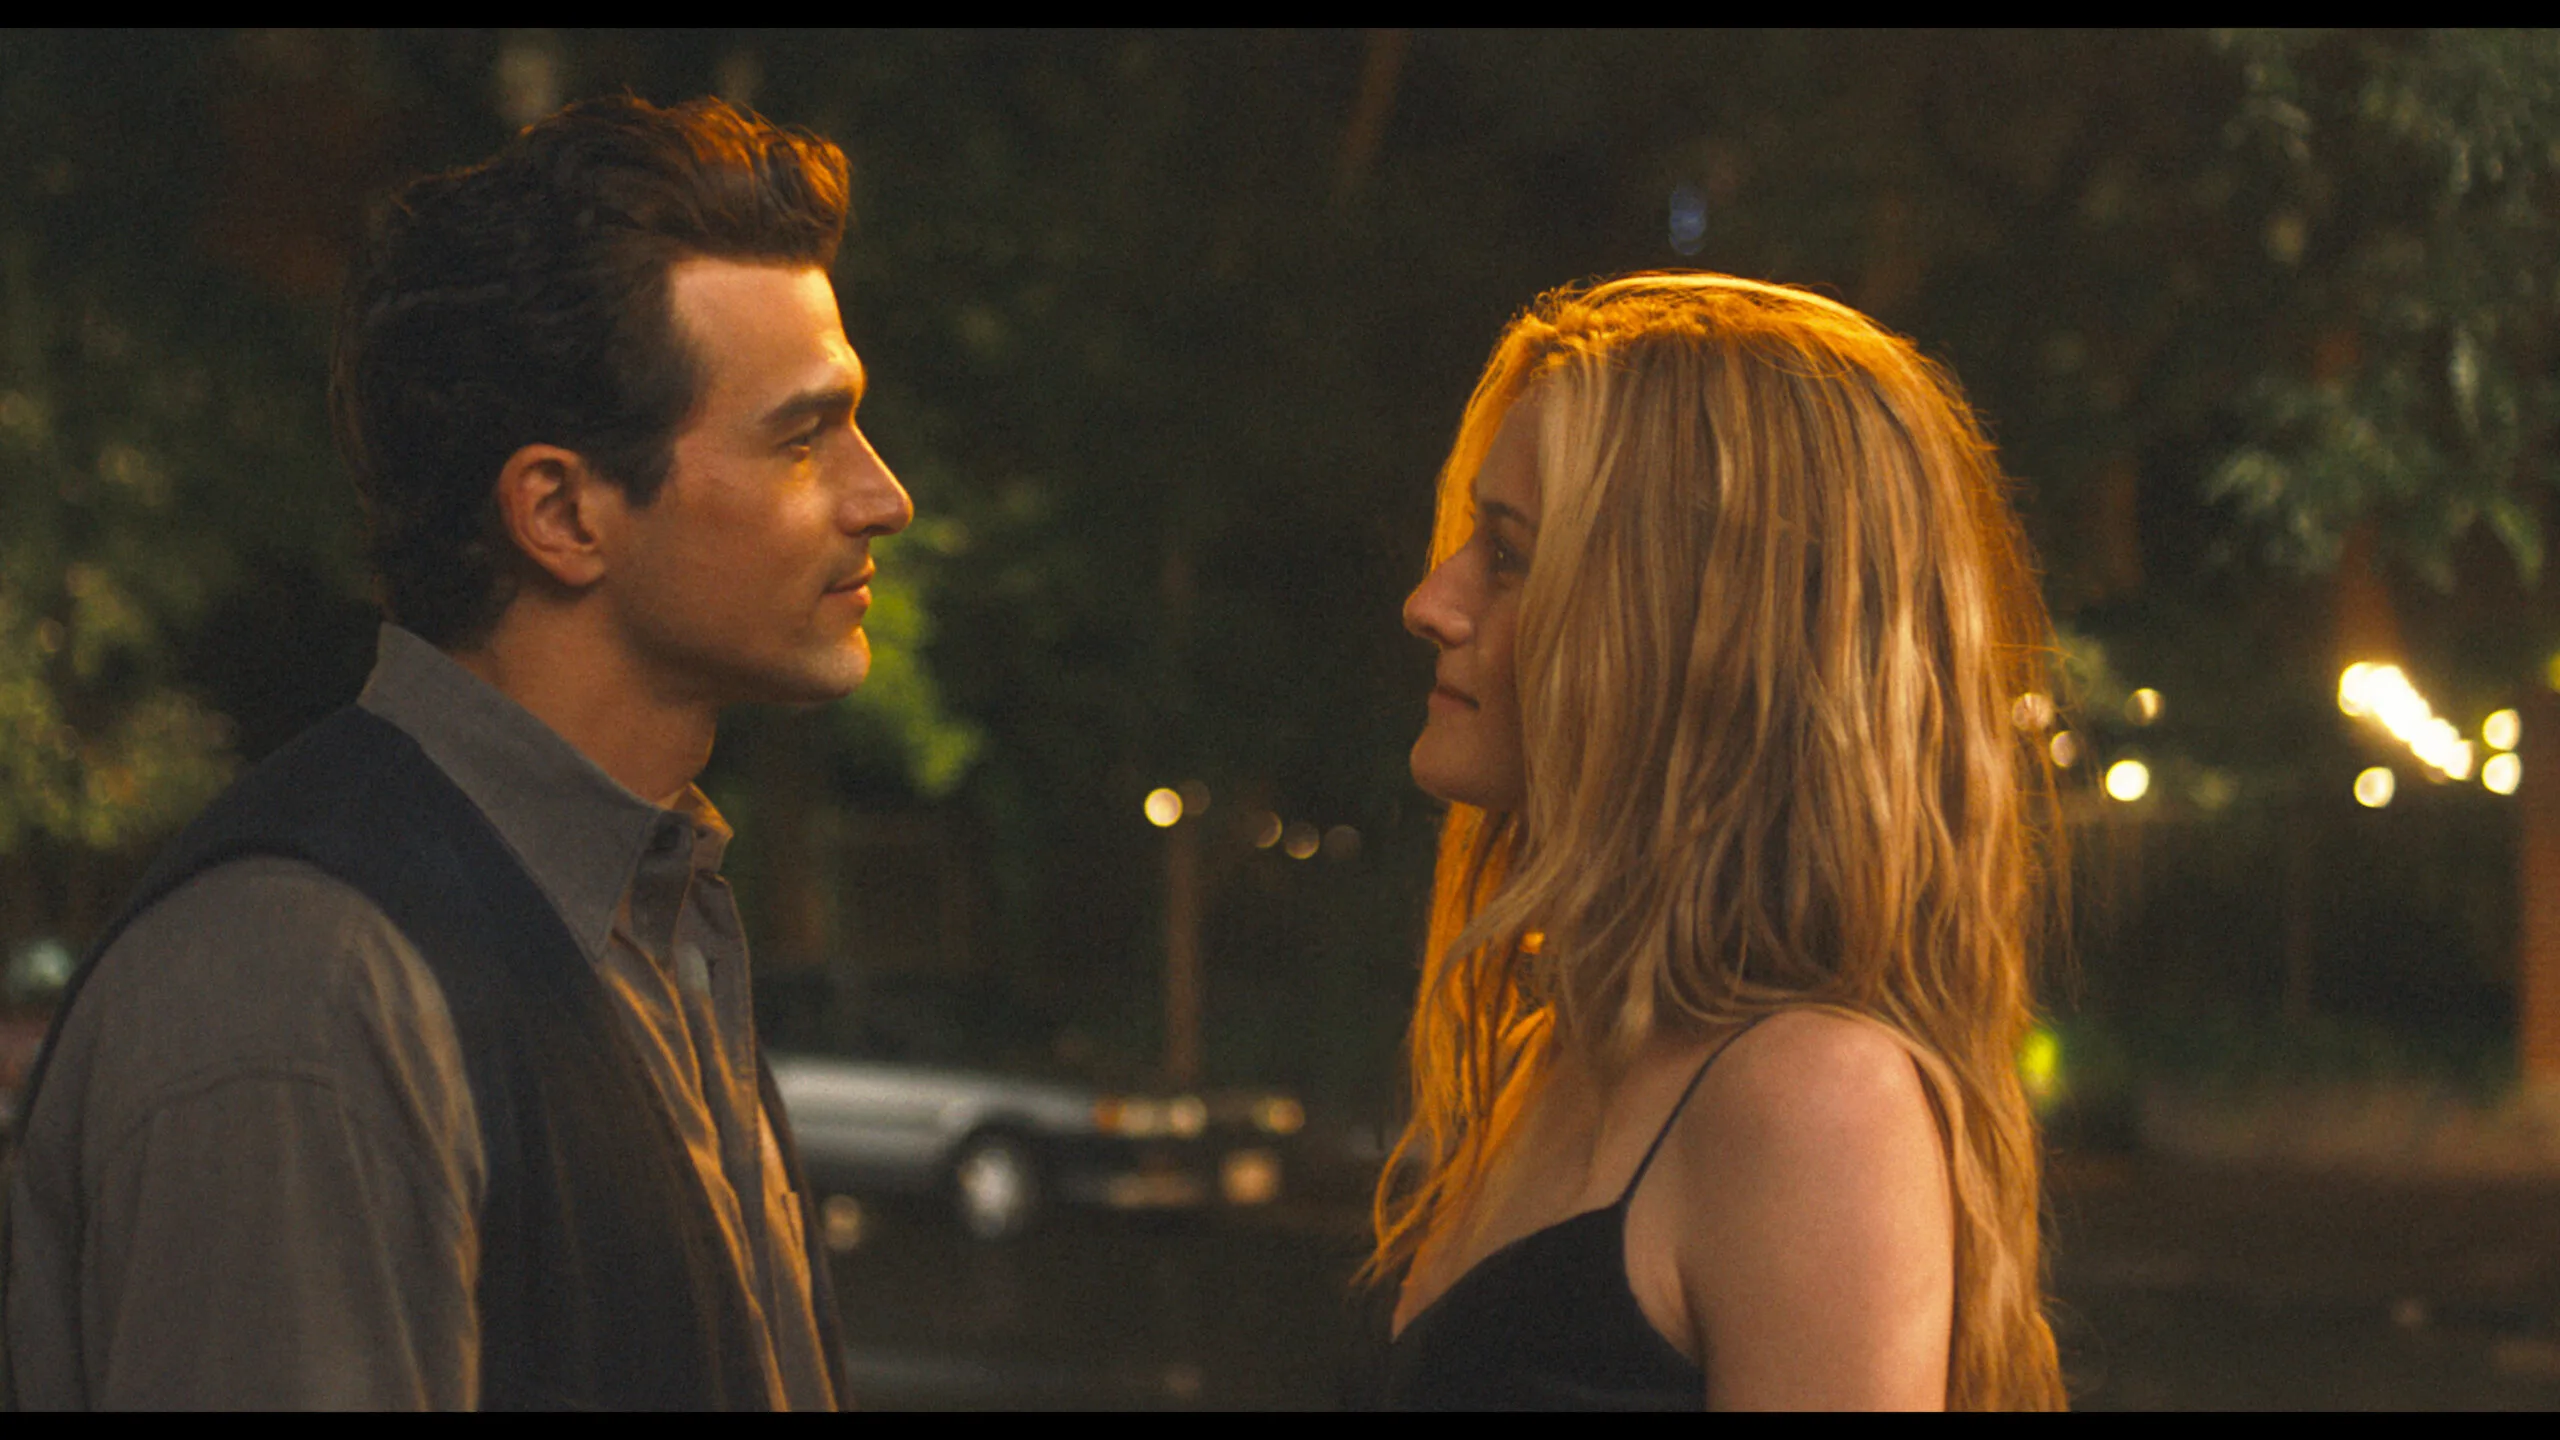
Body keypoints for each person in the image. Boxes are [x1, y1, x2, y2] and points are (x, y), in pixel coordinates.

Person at [2, 95, 908, 1409]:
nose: (881, 495)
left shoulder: (647, 920)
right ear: (559, 510)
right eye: (801, 437)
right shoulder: (313, 986)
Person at [1372, 274, 2065, 1410]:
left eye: (1506, 555)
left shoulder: (1810, 1102)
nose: (1430, 602)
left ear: (1696, 631)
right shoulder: (1566, 1053)